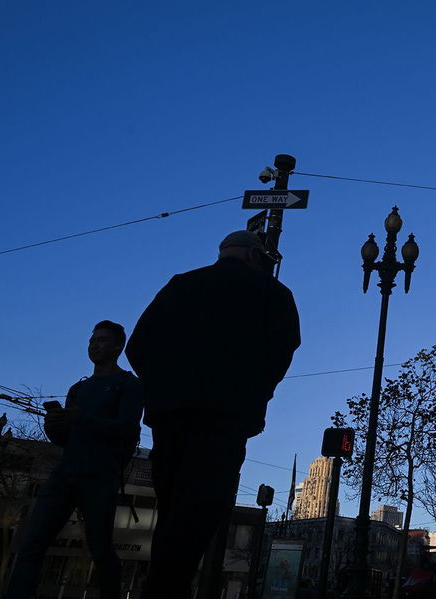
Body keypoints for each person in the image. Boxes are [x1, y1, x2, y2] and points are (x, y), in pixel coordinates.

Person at [128, 230, 300, 598]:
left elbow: (138, 346)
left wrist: (164, 388)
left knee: (172, 506)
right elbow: (282, 351)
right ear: (255, 256)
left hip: (170, 414)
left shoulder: (181, 285)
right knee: (201, 510)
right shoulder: (273, 293)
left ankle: (160, 585)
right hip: (227, 417)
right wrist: (256, 393)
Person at [6, 321, 143, 599]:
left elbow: (128, 429)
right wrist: (55, 425)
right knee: (31, 543)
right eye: (92, 340)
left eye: (102, 340)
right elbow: (65, 438)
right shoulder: (78, 389)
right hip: (65, 473)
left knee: (100, 548)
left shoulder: (128, 385)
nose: (94, 345)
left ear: (118, 346)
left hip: (99, 477)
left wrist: (83, 418)